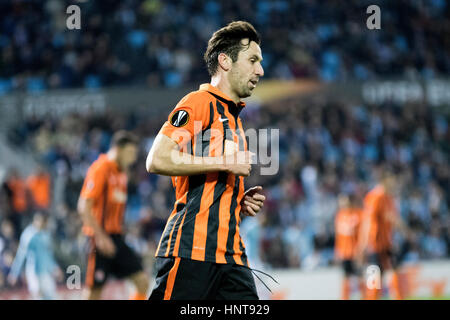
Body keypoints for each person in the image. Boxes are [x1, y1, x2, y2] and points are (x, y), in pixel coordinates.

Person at [146, 21, 266, 300]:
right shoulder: (199, 102)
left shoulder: (234, 118)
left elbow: (208, 186)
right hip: (191, 251)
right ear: (225, 61)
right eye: (252, 61)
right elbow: (157, 159)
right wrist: (224, 164)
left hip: (232, 256)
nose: (260, 70)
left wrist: (237, 201)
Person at [77, 130, 149, 300]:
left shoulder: (122, 173)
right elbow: (83, 206)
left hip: (116, 237)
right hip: (98, 238)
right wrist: (101, 237)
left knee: (142, 281)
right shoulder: (100, 168)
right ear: (118, 149)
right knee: (94, 292)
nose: (133, 158)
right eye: (130, 152)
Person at [357, 169, 410, 300]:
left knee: (393, 271)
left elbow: (391, 218)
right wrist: (362, 244)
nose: (394, 183)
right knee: (374, 276)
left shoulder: (388, 197)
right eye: (392, 179)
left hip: (387, 242)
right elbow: (367, 221)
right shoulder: (375, 197)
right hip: (374, 243)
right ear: (384, 180)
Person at [7, 212, 62, 300]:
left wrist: (55, 268)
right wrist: (14, 273)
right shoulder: (28, 235)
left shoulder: (46, 234)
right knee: (38, 296)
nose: (44, 224)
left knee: (52, 296)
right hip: (33, 273)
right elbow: (21, 255)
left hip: (46, 272)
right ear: (36, 221)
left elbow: (48, 255)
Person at [334, 193, 365, 300]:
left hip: (356, 253)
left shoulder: (359, 214)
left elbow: (363, 234)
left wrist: (361, 250)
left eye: (344, 201)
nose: (342, 203)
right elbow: (338, 236)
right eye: (341, 201)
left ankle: (365, 297)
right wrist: (337, 251)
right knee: (346, 277)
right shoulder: (340, 215)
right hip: (344, 253)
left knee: (360, 277)